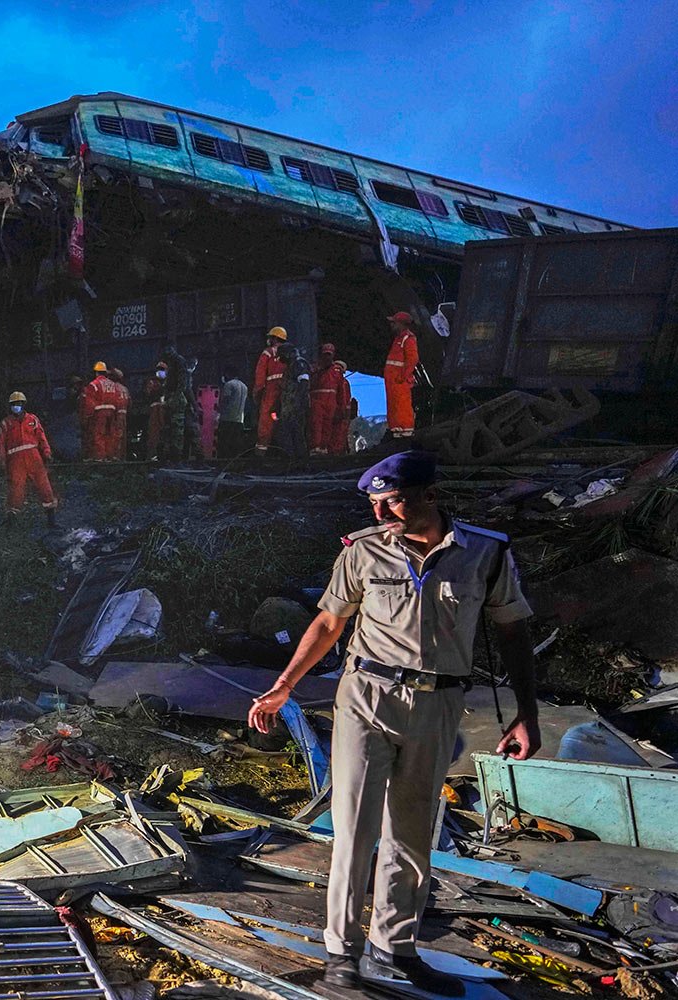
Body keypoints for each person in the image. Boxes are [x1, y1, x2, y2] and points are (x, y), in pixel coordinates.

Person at [248, 451, 539, 995]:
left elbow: (512, 633)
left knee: (411, 832)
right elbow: (330, 622)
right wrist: (283, 686)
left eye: (394, 499)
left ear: (430, 494)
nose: (382, 511)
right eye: (375, 502)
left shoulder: (484, 553)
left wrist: (527, 713)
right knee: (354, 829)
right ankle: (341, 956)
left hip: (438, 703)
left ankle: (393, 950)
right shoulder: (362, 552)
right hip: (366, 695)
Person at [0, 391, 58, 527]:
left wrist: (47, 453)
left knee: (44, 486)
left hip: (34, 458)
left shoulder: (32, 420)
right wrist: (2, 461)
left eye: (18, 404)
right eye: (13, 404)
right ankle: (11, 522)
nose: (16, 406)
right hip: (15, 461)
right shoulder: (6, 423)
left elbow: (42, 437)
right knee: (16, 490)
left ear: (23, 405)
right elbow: (0, 444)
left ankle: (51, 521)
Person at [251, 327, 287, 453]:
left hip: (271, 391)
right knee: (284, 422)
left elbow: (260, 374)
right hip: (286, 393)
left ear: (275, 338)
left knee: (265, 423)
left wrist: (257, 393)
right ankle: (284, 452)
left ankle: (261, 453)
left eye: (270, 337)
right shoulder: (290, 353)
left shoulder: (268, 353)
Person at [384, 311, 419, 440]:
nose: (392, 325)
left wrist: (402, 376)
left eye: (394, 323)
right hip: (394, 381)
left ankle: (406, 433)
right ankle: (397, 431)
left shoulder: (408, 339)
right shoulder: (398, 339)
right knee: (394, 406)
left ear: (401, 324)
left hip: (400, 381)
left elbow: (413, 359)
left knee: (402, 406)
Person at [273, 344, 310, 459]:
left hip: (295, 408)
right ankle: (291, 460)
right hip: (289, 408)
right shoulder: (290, 366)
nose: (280, 359)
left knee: (297, 434)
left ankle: (299, 461)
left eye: (282, 356)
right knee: (287, 433)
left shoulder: (299, 364)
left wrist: (299, 404)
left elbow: (304, 384)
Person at [79, 362, 119, 462]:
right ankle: (110, 456)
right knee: (110, 434)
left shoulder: (94, 384)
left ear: (96, 373)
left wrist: (88, 416)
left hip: (100, 412)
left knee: (98, 434)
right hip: (112, 411)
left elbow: (89, 402)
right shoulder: (113, 384)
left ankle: (100, 457)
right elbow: (117, 399)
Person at [217, 369, 248, 459]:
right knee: (235, 444)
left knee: (224, 442)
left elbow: (225, 400)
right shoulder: (244, 386)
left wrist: (218, 412)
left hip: (227, 418)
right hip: (239, 420)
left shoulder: (229, 384)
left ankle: (223, 462)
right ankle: (234, 463)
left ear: (228, 374)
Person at [144, 363, 170, 460]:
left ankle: (162, 456)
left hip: (163, 409)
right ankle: (153, 456)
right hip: (156, 409)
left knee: (164, 434)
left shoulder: (166, 382)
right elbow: (149, 395)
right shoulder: (153, 382)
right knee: (154, 434)